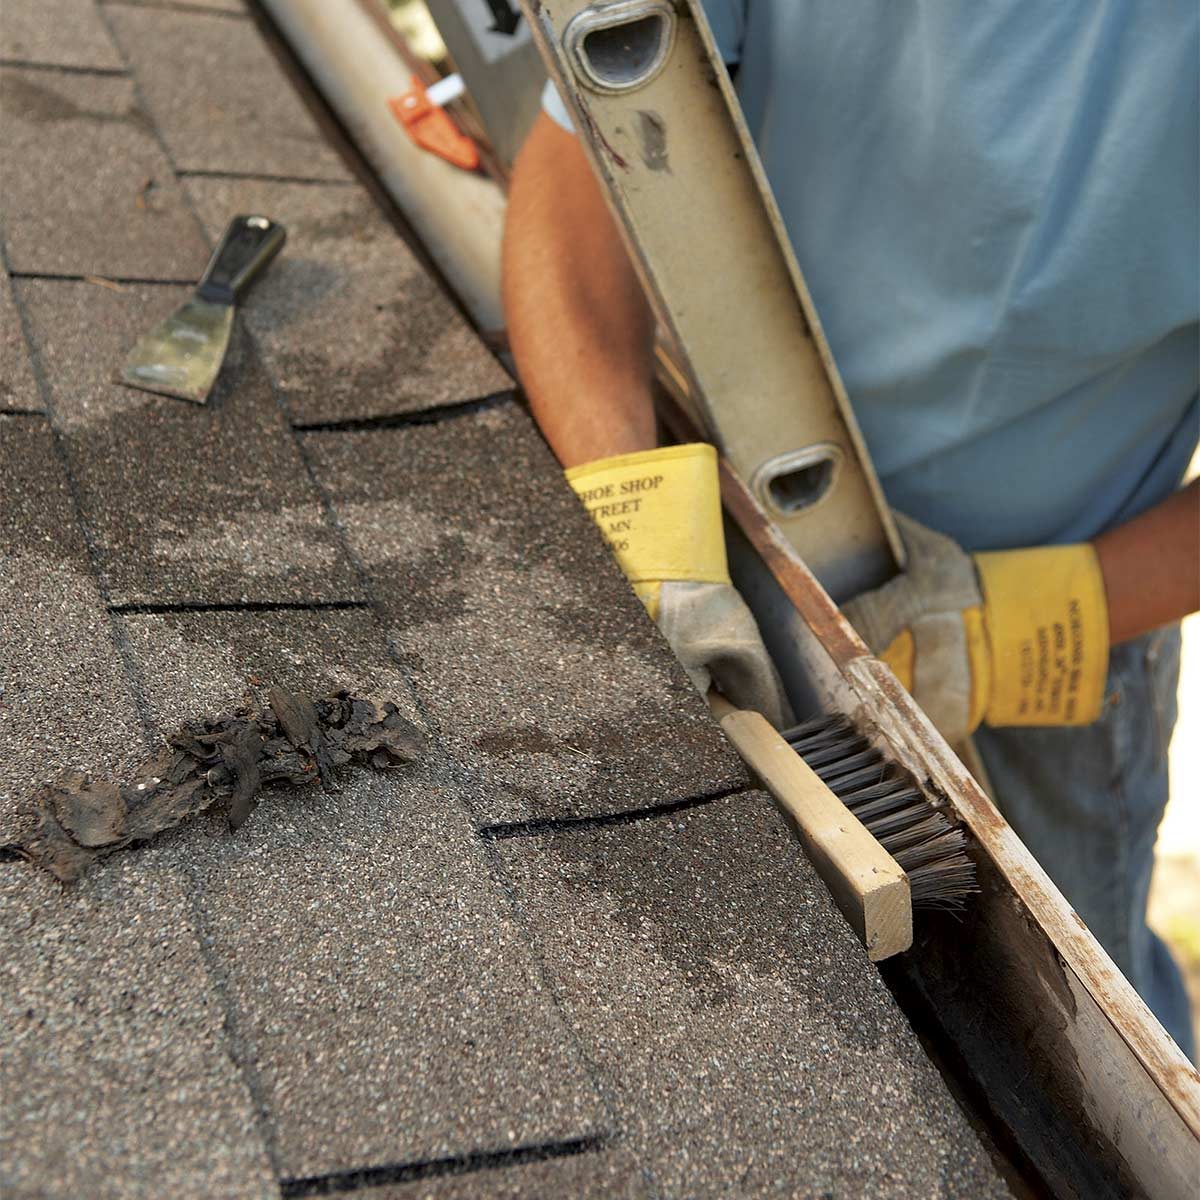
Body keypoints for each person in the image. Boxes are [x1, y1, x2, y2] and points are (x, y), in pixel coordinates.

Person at [501, 2, 1200, 1057]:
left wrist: (1003, 634)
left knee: (1075, 1040)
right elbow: (583, 161)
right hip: (737, 529)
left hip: (1074, 622)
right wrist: (639, 524)